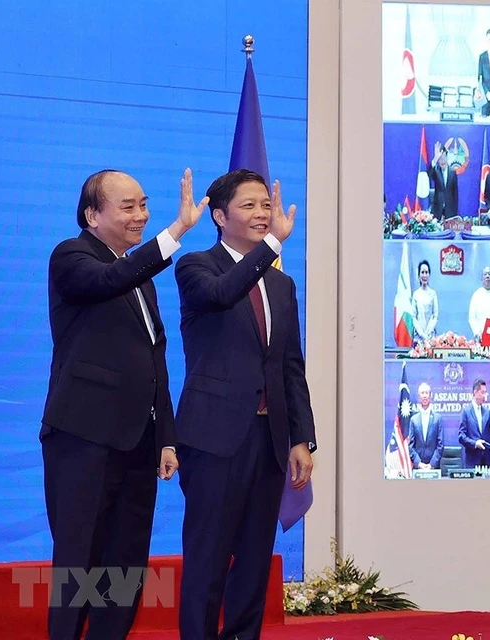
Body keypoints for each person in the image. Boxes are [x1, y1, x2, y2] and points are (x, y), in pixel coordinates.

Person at [41, 168, 204, 640]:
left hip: (138, 444)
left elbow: (155, 361)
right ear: (92, 214)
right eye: (128, 207)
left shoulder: (140, 276)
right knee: (79, 566)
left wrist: (166, 439)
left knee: (125, 567)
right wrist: (174, 233)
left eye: (144, 205)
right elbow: (111, 277)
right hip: (84, 438)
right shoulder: (72, 257)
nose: (142, 215)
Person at [175, 169, 317, 640]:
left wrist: (301, 437)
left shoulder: (282, 286)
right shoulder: (196, 267)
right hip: (214, 438)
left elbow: (290, 366)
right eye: (250, 206)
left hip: (269, 439)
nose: (263, 214)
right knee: (208, 558)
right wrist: (271, 247)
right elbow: (222, 293)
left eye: (266, 204)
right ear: (218, 216)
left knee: (255, 561)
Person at [458, 378, 490, 467]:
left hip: (487, 461)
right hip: (472, 460)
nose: (485, 395)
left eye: (485, 392)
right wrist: (475, 443)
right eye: (482, 392)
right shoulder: (466, 412)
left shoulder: (487, 412)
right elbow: (461, 436)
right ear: (475, 392)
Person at [408, 382, 444, 469]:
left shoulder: (438, 418)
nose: (424, 396)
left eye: (426, 393)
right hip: (418, 467)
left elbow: (441, 444)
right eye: (422, 393)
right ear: (418, 397)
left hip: (434, 466)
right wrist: (418, 463)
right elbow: (410, 445)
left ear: (430, 396)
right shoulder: (413, 420)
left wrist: (432, 464)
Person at [427, 141, 458, 220]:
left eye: (443, 157)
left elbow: (455, 194)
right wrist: (435, 158)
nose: (442, 160)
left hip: (450, 210)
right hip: (437, 209)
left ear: (447, 157)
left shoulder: (453, 172)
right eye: (440, 158)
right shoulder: (436, 170)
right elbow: (429, 174)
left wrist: (455, 212)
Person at [412, 259, 439, 342]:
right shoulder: (415, 294)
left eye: (426, 272)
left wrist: (428, 332)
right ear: (419, 275)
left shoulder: (433, 293)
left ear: (429, 275)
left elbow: (435, 315)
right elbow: (414, 317)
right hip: (418, 338)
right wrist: (421, 334)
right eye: (422, 272)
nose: (424, 275)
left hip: (431, 336)